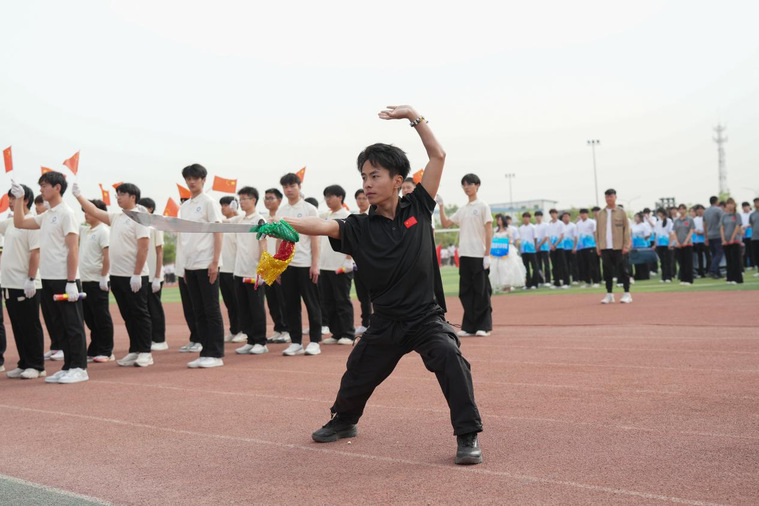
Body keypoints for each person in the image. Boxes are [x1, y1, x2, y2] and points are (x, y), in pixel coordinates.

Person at [283, 105, 482, 465]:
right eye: (363, 177)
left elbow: (438, 155)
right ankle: (344, 420)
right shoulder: (359, 226)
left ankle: (467, 435)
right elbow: (324, 225)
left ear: (397, 180)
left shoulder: (418, 207)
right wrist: (283, 224)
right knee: (358, 371)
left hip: (425, 318)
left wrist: (413, 116)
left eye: (375, 176)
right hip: (386, 321)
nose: (367, 184)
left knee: (451, 358)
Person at [12, 172, 89, 384]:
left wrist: (71, 281)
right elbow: (19, 222)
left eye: (44, 185)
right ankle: (68, 366)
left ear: (57, 187)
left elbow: (73, 248)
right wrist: (19, 198)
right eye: (40, 186)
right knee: (59, 325)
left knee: (73, 325)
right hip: (48, 278)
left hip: (65, 279)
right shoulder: (47, 215)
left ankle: (80, 367)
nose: (41, 189)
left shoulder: (66, 213)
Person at [75, 182, 154, 368]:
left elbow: (143, 247)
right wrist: (78, 196)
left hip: (134, 275)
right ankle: (135, 350)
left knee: (139, 314)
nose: (118, 198)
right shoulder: (116, 217)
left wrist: (137, 274)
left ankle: (145, 352)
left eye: (121, 194)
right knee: (128, 315)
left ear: (132, 197)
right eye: (117, 194)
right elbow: (94, 211)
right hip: (117, 275)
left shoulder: (140, 218)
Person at [178, 164, 225, 368]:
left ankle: (215, 353)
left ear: (203, 180)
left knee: (210, 309)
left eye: (195, 178)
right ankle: (205, 351)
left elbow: (218, 232)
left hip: (207, 263)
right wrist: (184, 266)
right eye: (188, 178)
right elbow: (184, 238)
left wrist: (215, 262)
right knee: (198, 310)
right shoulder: (184, 206)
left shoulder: (209, 203)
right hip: (190, 265)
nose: (191, 182)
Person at [437, 173, 493, 337]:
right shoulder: (463, 209)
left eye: (470, 184)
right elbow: (445, 223)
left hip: (479, 254)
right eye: (464, 185)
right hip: (465, 255)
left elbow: (489, 231)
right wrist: (441, 205)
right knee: (466, 292)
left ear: (477, 185)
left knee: (481, 291)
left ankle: (483, 326)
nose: (467, 187)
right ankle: (469, 326)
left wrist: (487, 254)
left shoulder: (483, 206)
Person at [1, 184, 45, 379]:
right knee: (18, 326)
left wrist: (31, 278)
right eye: (10, 198)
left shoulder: (32, 223)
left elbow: (36, 252)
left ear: (25, 200)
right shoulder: (11, 223)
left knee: (30, 325)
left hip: (25, 283)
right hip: (9, 283)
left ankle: (37, 365)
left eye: (13, 198)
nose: (10, 201)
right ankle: (24, 362)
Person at [276, 172, 323, 356]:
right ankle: (295, 342)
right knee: (290, 305)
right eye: (285, 187)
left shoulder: (310, 209)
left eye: (292, 186)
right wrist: (278, 265)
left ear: (299, 186)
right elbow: (279, 240)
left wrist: (315, 264)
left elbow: (315, 238)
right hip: (288, 265)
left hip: (305, 264)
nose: (289, 190)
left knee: (312, 304)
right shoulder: (281, 211)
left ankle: (314, 341)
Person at [231, 186, 270, 355]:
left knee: (256, 308)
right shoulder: (240, 220)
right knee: (244, 308)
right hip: (239, 270)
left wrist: (262, 270)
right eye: (239, 199)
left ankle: (261, 341)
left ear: (253, 200)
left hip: (254, 271)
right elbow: (223, 221)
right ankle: (250, 340)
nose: (241, 202)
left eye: (244, 199)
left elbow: (263, 244)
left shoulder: (260, 220)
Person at [78, 198, 115, 362]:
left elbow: (107, 256)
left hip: (97, 280)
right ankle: (95, 348)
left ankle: (106, 351)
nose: (86, 214)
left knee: (101, 316)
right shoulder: (85, 231)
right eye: (84, 211)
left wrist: (104, 276)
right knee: (90, 317)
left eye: (89, 211)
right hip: (84, 280)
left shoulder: (104, 231)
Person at [319, 185, 355, 345]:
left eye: (330, 196)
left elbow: (352, 240)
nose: (327, 200)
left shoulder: (347, 216)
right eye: (326, 197)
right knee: (328, 301)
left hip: (340, 266)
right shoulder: (327, 216)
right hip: (325, 265)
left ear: (340, 197)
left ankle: (348, 333)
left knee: (342, 300)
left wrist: (348, 260)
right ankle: (336, 332)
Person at [137, 198, 168, 351]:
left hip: (154, 276)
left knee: (154, 308)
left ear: (150, 209)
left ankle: (160, 339)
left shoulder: (156, 226)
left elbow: (159, 251)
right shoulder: (139, 226)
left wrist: (157, 276)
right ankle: (149, 338)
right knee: (145, 310)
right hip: (143, 274)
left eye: (142, 207)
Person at [262, 188, 290, 344]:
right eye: (266, 198)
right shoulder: (263, 220)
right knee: (272, 300)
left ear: (279, 200)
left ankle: (287, 329)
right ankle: (278, 328)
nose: (268, 201)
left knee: (283, 299)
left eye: (271, 198)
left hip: (279, 264)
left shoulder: (282, 218)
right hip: (268, 265)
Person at [595, 189, 632, 304]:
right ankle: (609, 294)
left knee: (623, 271)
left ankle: (627, 293)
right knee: (607, 272)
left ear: (615, 197)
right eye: (607, 197)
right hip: (605, 247)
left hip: (619, 246)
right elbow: (598, 231)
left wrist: (626, 245)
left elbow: (627, 230)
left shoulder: (621, 212)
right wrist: (598, 246)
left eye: (611, 196)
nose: (608, 199)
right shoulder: (600, 213)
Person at [219, 195, 245, 343]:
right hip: (223, 268)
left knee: (238, 302)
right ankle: (234, 329)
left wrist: (236, 212)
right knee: (229, 303)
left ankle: (243, 330)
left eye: (226, 205)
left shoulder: (239, 222)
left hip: (235, 269)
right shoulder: (221, 225)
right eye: (221, 205)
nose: (223, 208)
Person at [489, 214, 525, 292]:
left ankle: (507, 285)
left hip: (506, 250)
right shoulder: (495, 230)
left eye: (500, 219)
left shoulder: (508, 229)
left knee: (507, 267)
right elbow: (493, 239)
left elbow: (511, 239)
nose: (499, 221)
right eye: (497, 220)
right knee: (498, 267)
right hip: (498, 251)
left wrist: (507, 242)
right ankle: (502, 285)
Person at [353, 189, 372, 335]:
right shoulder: (354, 217)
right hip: (357, 263)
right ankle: (366, 323)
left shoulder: (374, 215)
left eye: (364, 198)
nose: (361, 201)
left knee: (375, 296)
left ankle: (378, 323)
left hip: (372, 263)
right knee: (362, 296)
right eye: (359, 198)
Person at [575, 208, 600, 288]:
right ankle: (587, 282)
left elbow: (595, 233)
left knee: (592, 264)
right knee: (584, 265)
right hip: (582, 247)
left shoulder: (592, 222)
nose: (582, 215)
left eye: (584, 213)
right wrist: (576, 246)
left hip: (591, 245)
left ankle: (596, 281)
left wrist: (597, 244)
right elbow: (577, 235)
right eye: (581, 213)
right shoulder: (578, 224)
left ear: (587, 214)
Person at [721, 198, 743, 285]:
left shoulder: (737, 215)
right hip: (726, 241)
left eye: (731, 204)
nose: (730, 205)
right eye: (728, 204)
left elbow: (737, 227)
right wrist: (723, 239)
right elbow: (722, 228)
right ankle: (729, 278)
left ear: (734, 205)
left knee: (735, 260)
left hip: (735, 240)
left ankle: (737, 279)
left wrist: (732, 238)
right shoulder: (724, 216)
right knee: (729, 260)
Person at [671, 204, 695, 285]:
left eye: (683, 209)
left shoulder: (690, 220)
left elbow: (691, 231)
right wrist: (677, 242)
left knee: (688, 262)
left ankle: (689, 279)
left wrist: (686, 241)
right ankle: (683, 279)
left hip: (688, 244)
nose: (681, 211)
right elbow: (674, 232)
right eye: (680, 209)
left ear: (686, 210)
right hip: (679, 244)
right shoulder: (676, 221)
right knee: (681, 262)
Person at [546, 209, 568, 289]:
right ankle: (556, 283)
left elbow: (562, 236)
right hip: (552, 248)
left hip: (559, 247)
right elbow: (547, 237)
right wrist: (551, 245)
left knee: (562, 265)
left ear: (557, 214)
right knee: (554, 266)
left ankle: (566, 282)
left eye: (554, 213)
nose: (553, 215)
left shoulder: (561, 223)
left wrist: (555, 245)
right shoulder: (549, 225)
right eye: (551, 213)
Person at [703, 196, 724, 279]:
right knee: (719, 253)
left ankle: (717, 273)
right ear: (716, 201)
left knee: (714, 254)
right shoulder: (719, 210)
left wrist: (706, 236)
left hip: (709, 235)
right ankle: (712, 270)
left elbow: (704, 225)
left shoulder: (705, 211)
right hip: (718, 234)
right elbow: (722, 223)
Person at [518, 212, 539, 289]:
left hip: (532, 249)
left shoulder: (533, 227)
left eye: (527, 217)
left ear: (529, 218)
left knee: (534, 267)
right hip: (524, 250)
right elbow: (520, 239)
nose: (525, 218)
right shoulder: (521, 228)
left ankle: (535, 284)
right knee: (525, 267)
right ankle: (528, 284)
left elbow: (535, 238)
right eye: (524, 217)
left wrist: (536, 246)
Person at [653, 208, 674, 283]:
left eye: (660, 212)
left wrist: (670, 243)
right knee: (662, 261)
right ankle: (663, 276)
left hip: (667, 243)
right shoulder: (658, 222)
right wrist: (655, 244)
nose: (659, 214)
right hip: (660, 244)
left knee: (668, 260)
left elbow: (671, 233)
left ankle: (669, 276)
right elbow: (656, 234)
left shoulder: (669, 221)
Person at [630, 212, 652, 280]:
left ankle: (645, 275)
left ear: (640, 218)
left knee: (643, 261)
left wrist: (642, 239)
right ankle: (638, 275)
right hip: (635, 245)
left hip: (642, 245)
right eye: (635, 217)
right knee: (636, 261)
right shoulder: (633, 225)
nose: (635, 218)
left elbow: (648, 234)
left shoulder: (644, 225)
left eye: (637, 217)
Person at [534, 210, 551, 286]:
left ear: (541, 217)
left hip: (545, 247)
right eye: (536, 216)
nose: (537, 217)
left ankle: (548, 281)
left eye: (539, 216)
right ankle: (540, 280)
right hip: (537, 248)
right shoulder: (534, 226)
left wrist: (539, 245)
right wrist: (536, 246)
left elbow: (546, 237)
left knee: (546, 264)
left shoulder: (546, 225)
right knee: (538, 265)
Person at [561, 212, 578, 284]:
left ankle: (575, 279)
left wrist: (575, 247)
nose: (565, 218)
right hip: (563, 248)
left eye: (567, 216)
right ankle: (566, 278)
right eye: (564, 217)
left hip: (571, 248)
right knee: (565, 264)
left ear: (569, 217)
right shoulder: (561, 226)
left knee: (573, 264)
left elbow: (576, 237)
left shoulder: (573, 226)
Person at [692, 205, 709, 278]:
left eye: (701, 209)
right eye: (698, 209)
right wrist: (697, 232)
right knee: (700, 257)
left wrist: (703, 233)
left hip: (705, 239)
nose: (700, 211)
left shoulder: (706, 218)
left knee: (708, 256)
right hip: (698, 240)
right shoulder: (694, 219)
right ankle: (701, 272)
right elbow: (693, 229)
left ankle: (708, 271)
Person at [740, 201, 753, 269]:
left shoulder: (752, 213)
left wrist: (747, 226)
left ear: (749, 206)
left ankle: (753, 264)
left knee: (752, 249)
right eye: (744, 207)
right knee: (745, 250)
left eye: (746, 206)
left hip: (751, 232)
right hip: (743, 233)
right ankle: (746, 265)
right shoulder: (741, 215)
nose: (745, 208)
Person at [750, 198, 759, 276]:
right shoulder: (752, 214)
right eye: (755, 202)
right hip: (755, 237)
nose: (757, 204)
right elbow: (752, 225)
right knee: (756, 254)